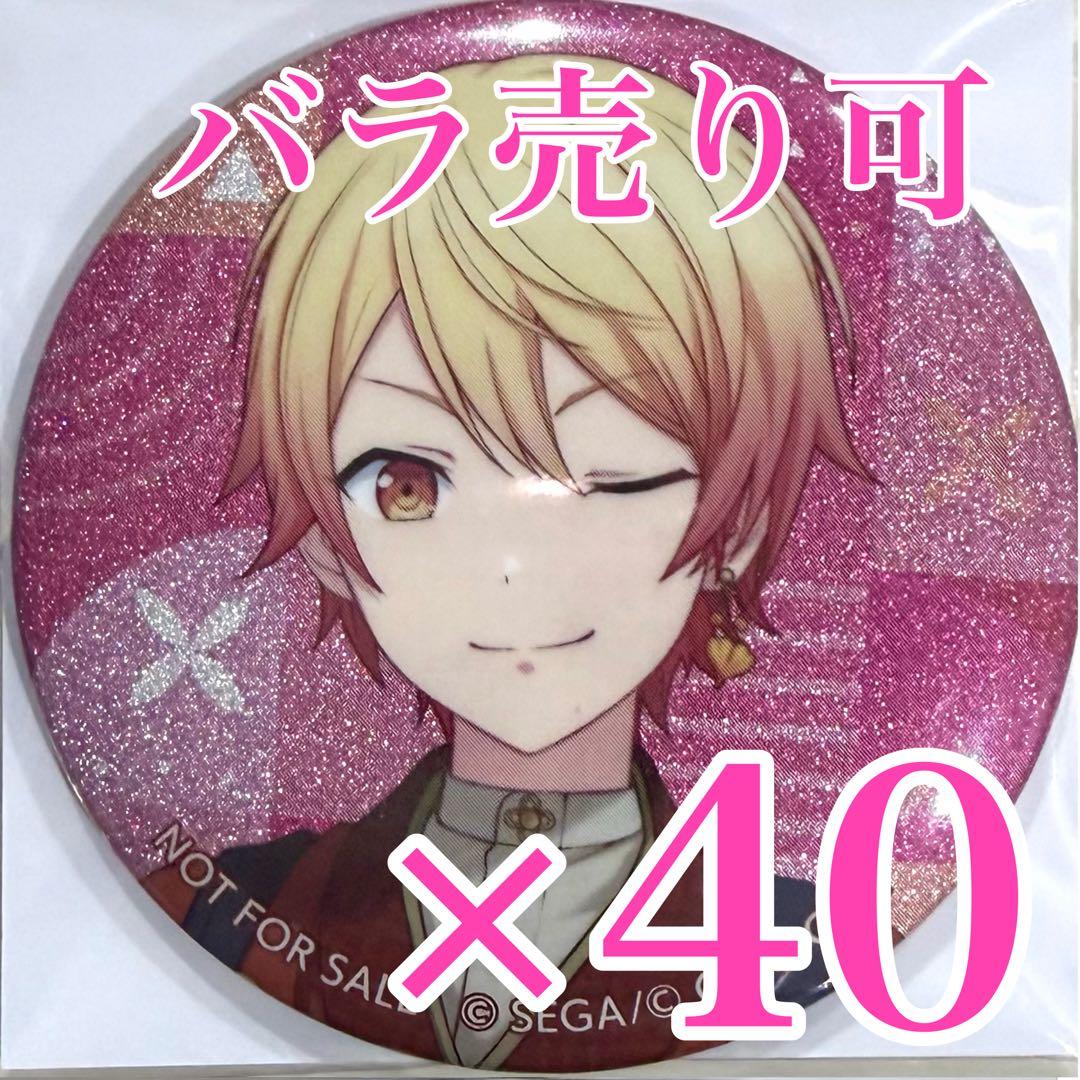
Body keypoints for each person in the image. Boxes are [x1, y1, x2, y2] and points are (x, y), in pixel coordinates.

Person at [145, 54, 867, 1071]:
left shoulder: (809, 951)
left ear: (735, 528)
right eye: (406, 485)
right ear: (324, 539)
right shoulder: (230, 914)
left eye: (616, 478)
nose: (512, 568)